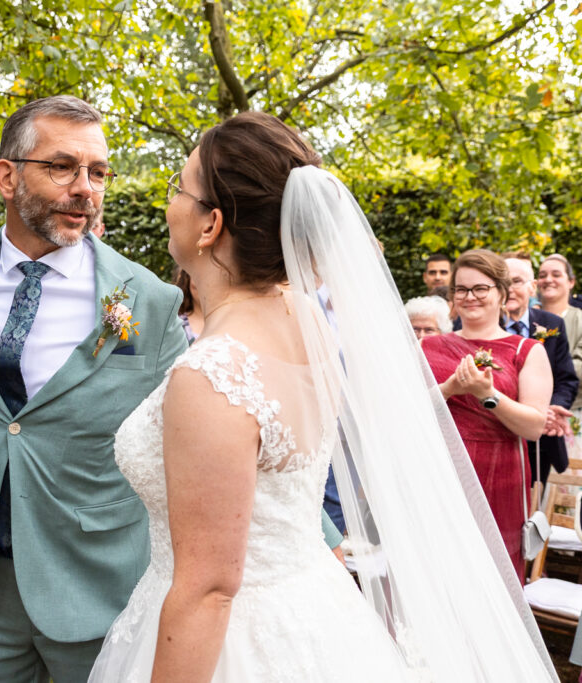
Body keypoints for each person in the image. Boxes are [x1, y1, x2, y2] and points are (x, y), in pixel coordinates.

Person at [89, 113, 556, 681]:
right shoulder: (303, 318)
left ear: (211, 224)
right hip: (315, 610)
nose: (169, 205)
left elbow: (209, 589)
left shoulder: (212, 374)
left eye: (176, 189)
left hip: (228, 642)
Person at [0, 95, 190, 682]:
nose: (85, 188)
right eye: (62, 166)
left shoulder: (144, 298)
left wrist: (312, 537)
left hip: (96, 584)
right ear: (6, 176)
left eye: (98, 172)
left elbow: (211, 420)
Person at [420, 250, 552, 582]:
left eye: (481, 288)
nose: (470, 297)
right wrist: (449, 388)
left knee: (492, 574)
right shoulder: (429, 347)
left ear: (501, 293)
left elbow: (535, 426)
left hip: (501, 469)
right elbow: (409, 414)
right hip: (441, 469)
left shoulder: (526, 350)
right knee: (438, 569)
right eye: (461, 289)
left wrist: (488, 396)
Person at [503, 252, 577, 483]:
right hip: (497, 431)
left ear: (532, 287)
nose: (509, 289)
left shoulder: (552, 324)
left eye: (516, 282)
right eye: (502, 283)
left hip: (541, 437)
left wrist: (552, 409)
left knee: (535, 507)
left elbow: (566, 379)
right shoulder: (482, 325)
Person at [537, 254, 582, 411]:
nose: (548, 280)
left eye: (556, 275)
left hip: (572, 410)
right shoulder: (526, 320)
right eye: (542, 276)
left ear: (571, 282)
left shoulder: (580, 319)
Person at [173, 267, 203, 342]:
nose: (204, 285)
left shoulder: (234, 321)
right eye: (198, 276)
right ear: (187, 280)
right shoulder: (174, 324)